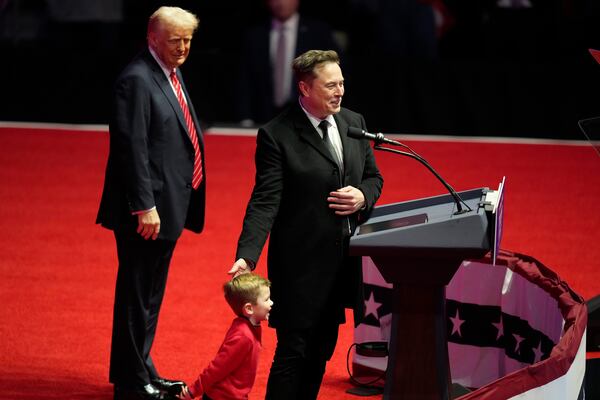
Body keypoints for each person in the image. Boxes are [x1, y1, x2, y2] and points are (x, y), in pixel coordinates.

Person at [229, 49, 383, 399]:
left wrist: (363, 195)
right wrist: (248, 255)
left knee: (322, 351)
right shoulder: (277, 135)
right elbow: (265, 200)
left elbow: (374, 178)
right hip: (299, 268)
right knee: (293, 354)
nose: (339, 91)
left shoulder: (353, 122)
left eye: (342, 83)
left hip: (342, 264)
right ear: (304, 88)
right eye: (330, 85)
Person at [96, 6, 206, 400]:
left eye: (188, 39)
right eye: (175, 39)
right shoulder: (136, 80)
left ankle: (142, 368)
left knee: (149, 295)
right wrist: (144, 205)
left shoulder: (167, 73)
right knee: (136, 295)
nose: (183, 47)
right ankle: (130, 382)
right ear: (152, 38)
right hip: (146, 211)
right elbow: (131, 148)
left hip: (167, 205)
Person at [235, 0, 340, 126]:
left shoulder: (318, 33)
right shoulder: (255, 35)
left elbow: (333, 76)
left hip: (307, 116)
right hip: (263, 117)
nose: (281, 3)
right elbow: (244, 80)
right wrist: (245, 118)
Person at [177, 273, 273, 400]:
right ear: (249, 309)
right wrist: (192, 391)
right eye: (266, 300)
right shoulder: (243, 337)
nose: (271, 303)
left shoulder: (248, 326)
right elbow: (217, 368)